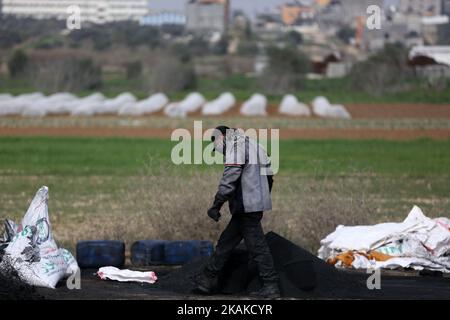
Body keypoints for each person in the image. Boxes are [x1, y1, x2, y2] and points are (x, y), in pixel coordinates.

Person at [193, 126, 280, 299]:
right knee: (226, 241)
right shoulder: (256, 145)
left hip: (246, 206)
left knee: (258, 247)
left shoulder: (235, 147)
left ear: (223, 136)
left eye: (216, 143)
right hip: (253, 204)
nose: (218, 149)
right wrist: (260, 198)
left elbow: (229, 178)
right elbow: (270, 175)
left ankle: (271, 286)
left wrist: (217, 204)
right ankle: (207, 278)